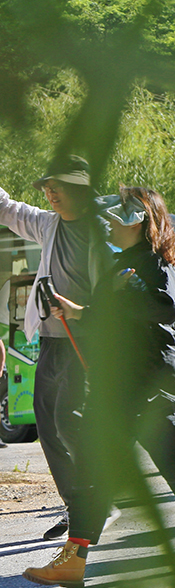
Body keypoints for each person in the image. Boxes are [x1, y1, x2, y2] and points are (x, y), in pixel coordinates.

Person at [23, 188, 175, 587]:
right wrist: (73, 310)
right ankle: (75, 556)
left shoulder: (159, 268)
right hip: (116, 388)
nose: (108, 224)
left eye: (116, 218)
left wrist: (129, 290)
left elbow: (166, 307)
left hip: (154, 387)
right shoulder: (120, 266)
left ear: (140, 221)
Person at [0, 156, 109, 540]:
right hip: (50, 338)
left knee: (68, 419)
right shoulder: (49, 224)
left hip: (86, 342)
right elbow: (8, 209)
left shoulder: (102, 232)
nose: (49, 193)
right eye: (47, 188)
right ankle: (77, 505)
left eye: (57, 187)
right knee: (47, 424)